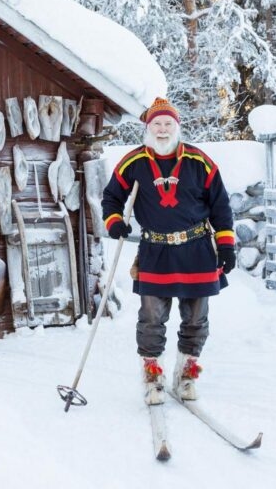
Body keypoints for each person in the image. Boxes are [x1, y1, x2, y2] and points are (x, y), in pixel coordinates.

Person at [101, 97, 236, 405]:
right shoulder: (132, 162)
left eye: (168, 124)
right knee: (151, 318)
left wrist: (226, 244)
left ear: (177, 127)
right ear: (148, 129)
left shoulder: (199, 161)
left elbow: (221, 206)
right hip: (156, 251)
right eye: (156, 124)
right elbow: (111, 197)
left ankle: (186, 376)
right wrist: (114, 222)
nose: (162, 130)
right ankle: (152, 378)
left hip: (198, 250)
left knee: (196, 318)